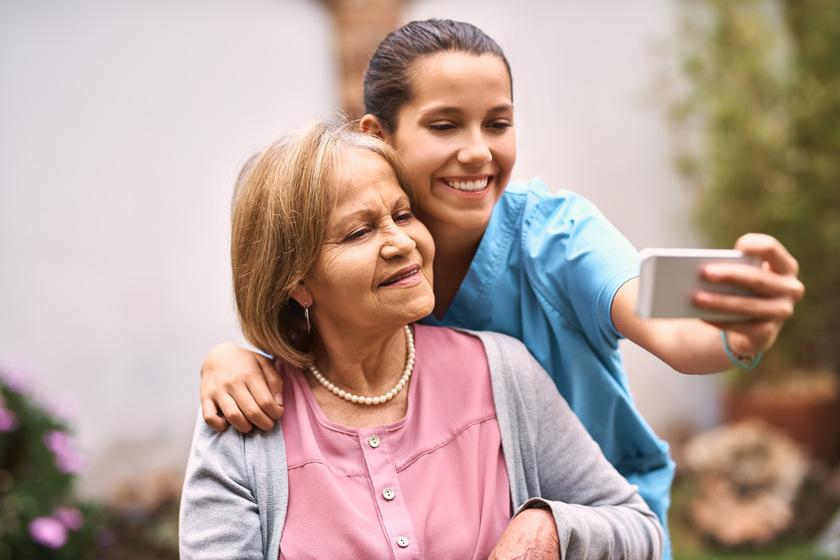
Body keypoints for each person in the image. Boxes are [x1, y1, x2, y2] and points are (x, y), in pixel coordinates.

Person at [197, 19, 804, 559]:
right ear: (379, 135)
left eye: (498, 123)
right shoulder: (384, 269)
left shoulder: (557, 236)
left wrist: (733, 332)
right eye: (444, 125)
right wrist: (230, 358)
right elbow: (315, 328)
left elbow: (664, 323)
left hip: (600, 525)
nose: (477, 151)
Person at [178, 118, 665, 559]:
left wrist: (550, 529)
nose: (402, 242)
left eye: (403, 214)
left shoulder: (500, 371)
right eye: (359, 232)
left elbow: (640, 527)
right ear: (298, 283)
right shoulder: (244, 424)